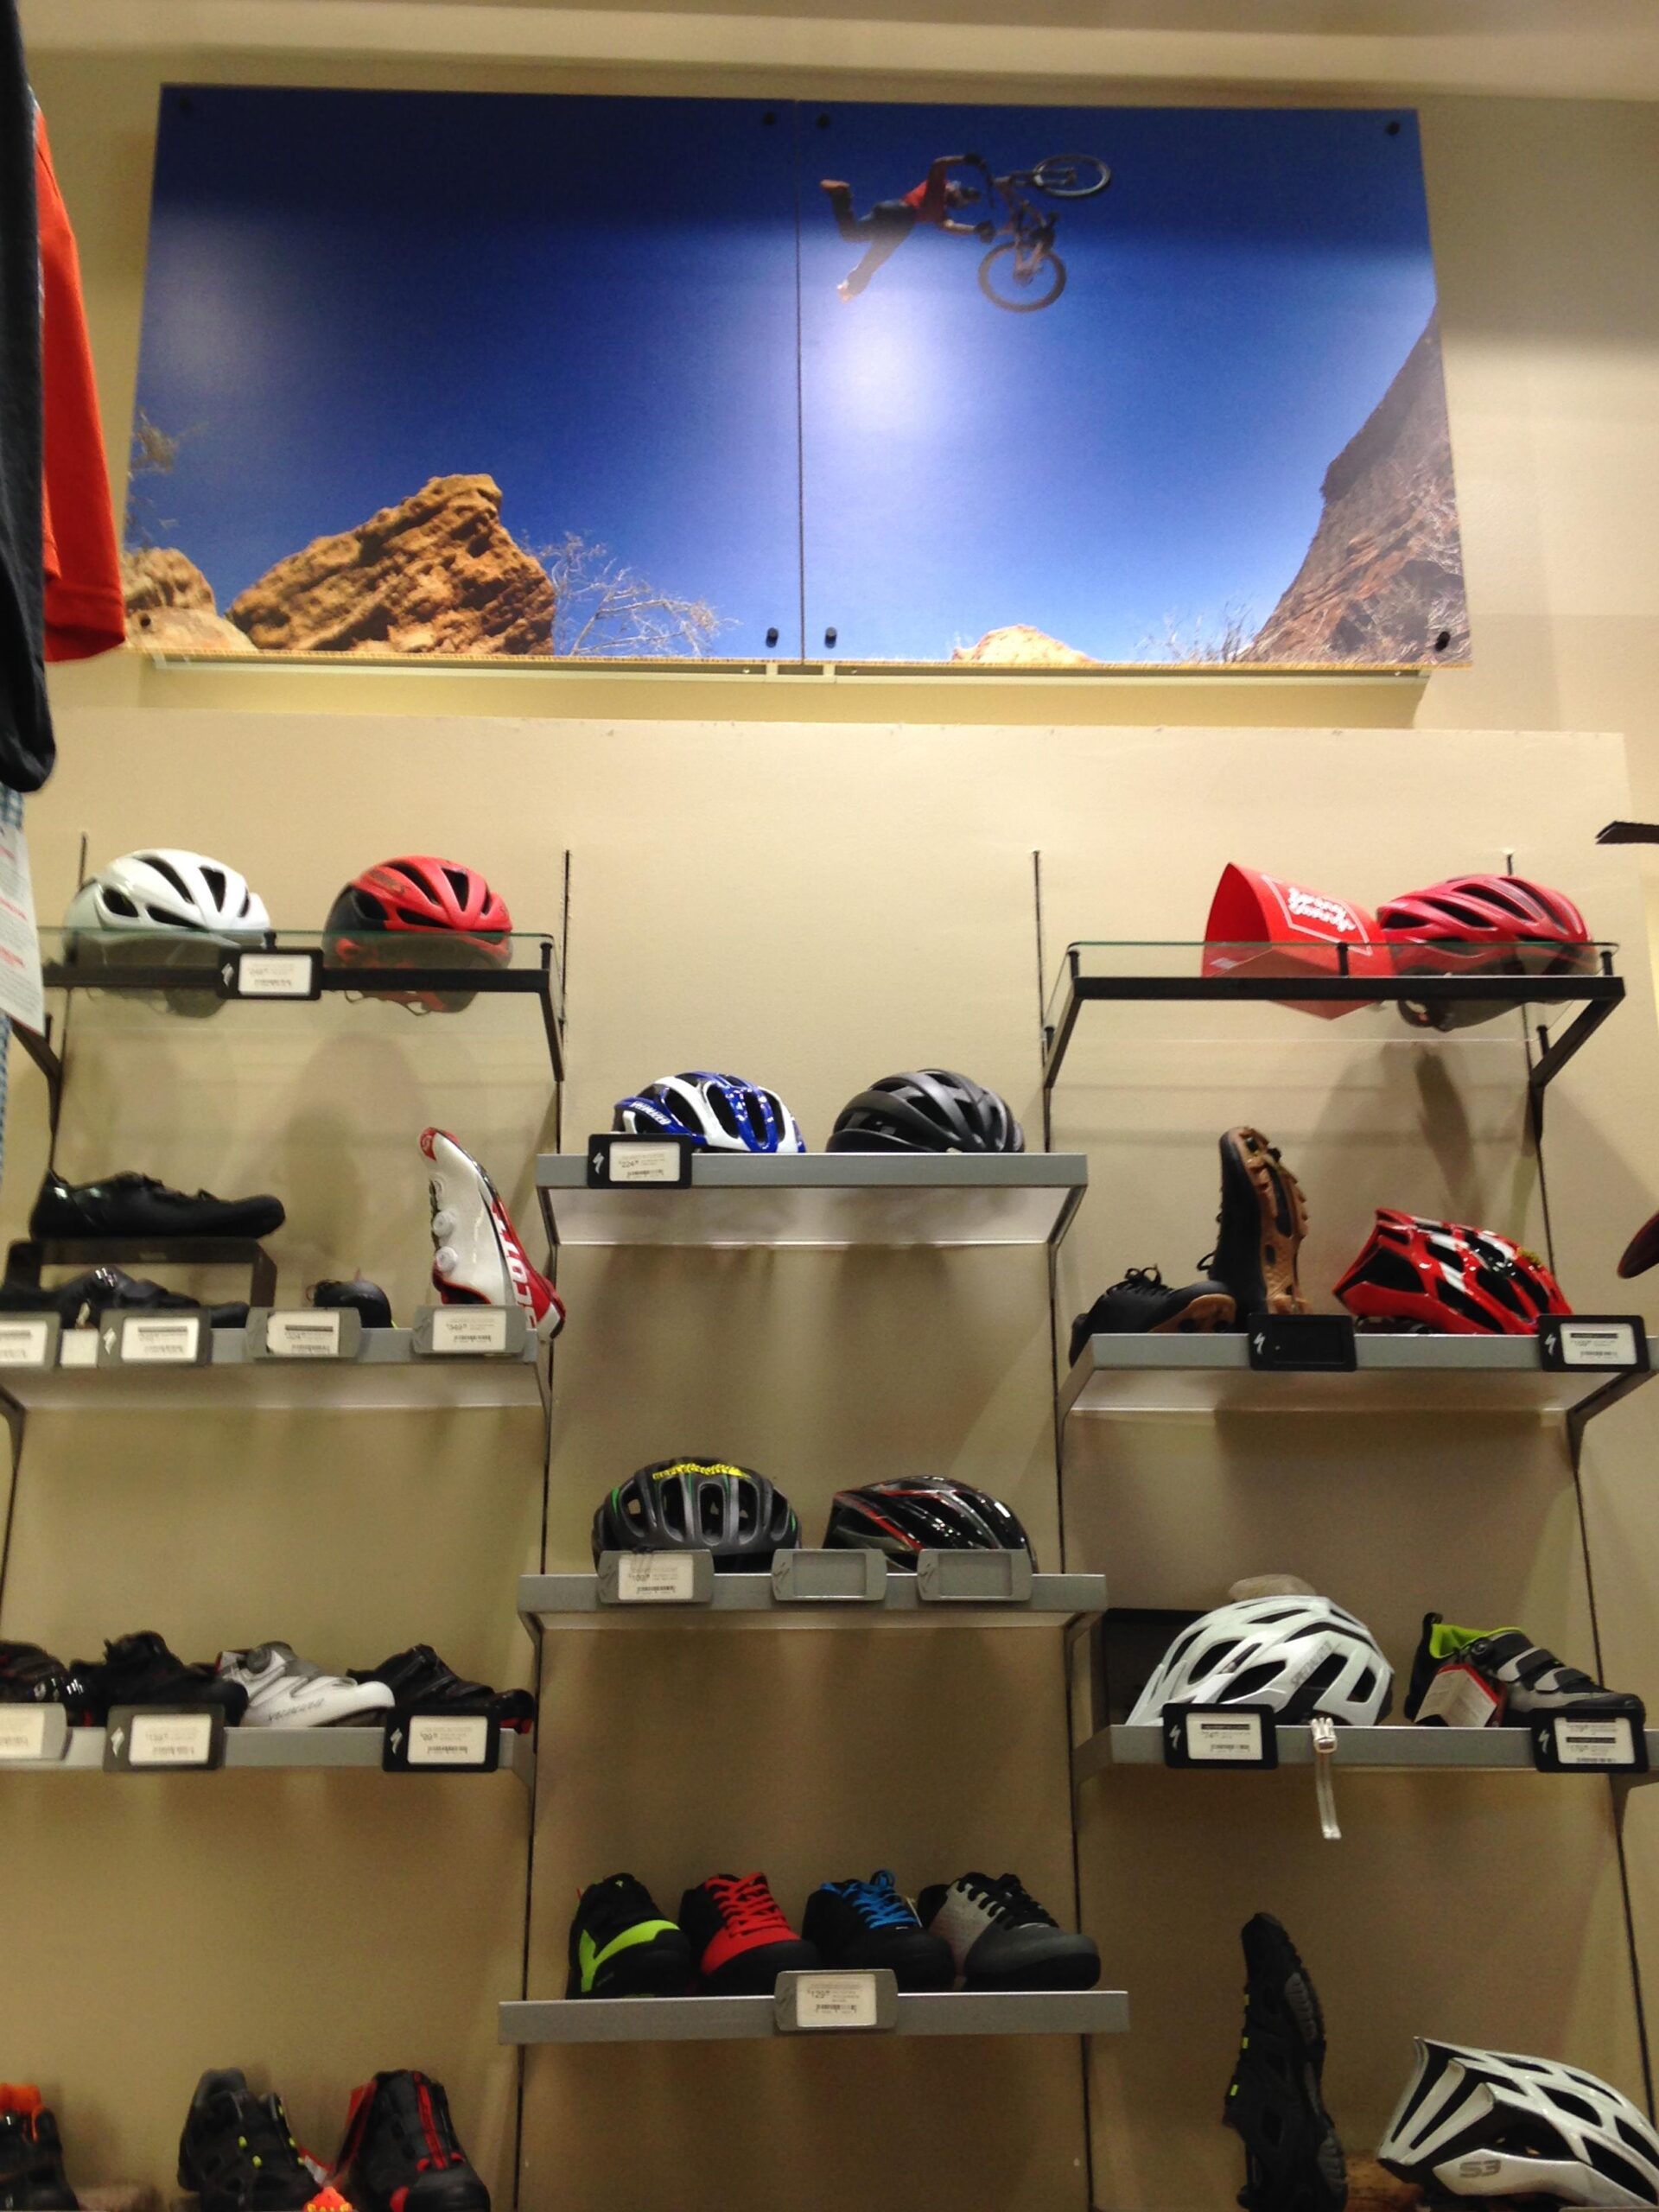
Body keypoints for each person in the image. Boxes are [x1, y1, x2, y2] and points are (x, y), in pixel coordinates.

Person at [820, 156, 983, 300]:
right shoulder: (939, 187)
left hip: (890, 208)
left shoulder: (941, 212)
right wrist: (965, 159)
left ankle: (841, 195)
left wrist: (976, 229)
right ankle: (851, 289)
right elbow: (939, 164)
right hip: (902, 220)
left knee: (851, 234)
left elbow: (951, 227)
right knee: (874, 260)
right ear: (955, 191)